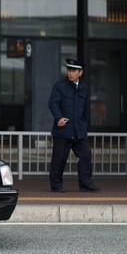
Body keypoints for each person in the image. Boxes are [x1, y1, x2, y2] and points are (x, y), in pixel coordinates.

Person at [48, 58, 100, 193]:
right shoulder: (59, 86)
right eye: (69, 70)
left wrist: (84, 125)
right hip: (63, 130)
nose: (70, 73)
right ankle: (56, 185)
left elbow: (86, 109)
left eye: (74, 71)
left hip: (78, 131)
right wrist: (59, 118)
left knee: (86, 155)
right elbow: (53, 104)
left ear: (80, 73)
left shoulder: (84, 88)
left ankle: (86, 184)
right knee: (59, 159)